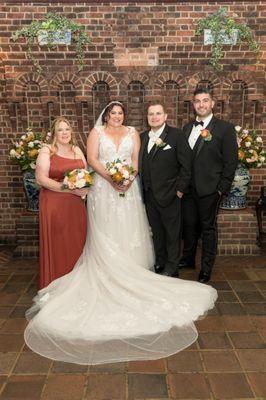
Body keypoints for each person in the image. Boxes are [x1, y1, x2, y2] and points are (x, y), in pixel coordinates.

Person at [24, 101, 217, 366]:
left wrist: (126, 177)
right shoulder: (96, 133)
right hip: (103, 190)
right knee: (104, 231)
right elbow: (91, 160)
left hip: (128, 188)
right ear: (106, 115)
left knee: (130, 230)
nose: (117, 116)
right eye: (112, 113)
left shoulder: (132, 133)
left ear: (124, 115)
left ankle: (131, 268)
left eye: (120, 113)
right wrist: (111, 178)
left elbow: (136, 161)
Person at [178, 88, 238, 283]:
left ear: (212, 103)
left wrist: (221, 189)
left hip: (210, 190)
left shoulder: (225, 128)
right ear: (193, 104)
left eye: (205, 101)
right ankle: (188, 260)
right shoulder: (187, 128)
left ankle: (206, 268)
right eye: (197, 101)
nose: (201, 104)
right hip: (188, 190)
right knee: (189, 226)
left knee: (208, 229)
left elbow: (231, 163)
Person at [139, 101, 191, 277]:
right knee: (157, 230)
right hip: (149, 194)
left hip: (170, 193)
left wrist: (180, 189)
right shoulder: (142, 137)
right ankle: (160, 261)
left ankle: (172, 265)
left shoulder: (176, 135)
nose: (154, 117)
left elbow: (186, 165)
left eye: (158, 113)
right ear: (147, 118)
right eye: (151, 114)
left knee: (172, 232)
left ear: (165, 116)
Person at [36, 117, 88, 289]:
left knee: (76, 241)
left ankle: (76, 283)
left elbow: (85, 175)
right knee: (59, 244)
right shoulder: (47, 150)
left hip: (76, 206)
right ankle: (58, 284)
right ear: (54, 133)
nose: (64, 133)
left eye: (67, 129)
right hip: (54, 203)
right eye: (60, 130)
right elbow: (41, 178)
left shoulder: (77, 150)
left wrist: (85, 188)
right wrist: (69, 189)